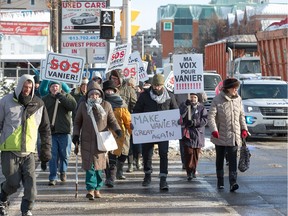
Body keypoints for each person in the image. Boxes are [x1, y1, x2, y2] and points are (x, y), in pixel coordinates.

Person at [0, 74, 51, 216]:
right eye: (25, 87)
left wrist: (45, 151)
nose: (27, 90)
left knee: (31, 187)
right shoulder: (6, 101)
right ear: (20, 85)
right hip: (9, 149)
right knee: (12, 183)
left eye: (30, 87)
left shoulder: (38, 104)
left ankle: (26, 210)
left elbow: (45, 129)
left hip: (29, 151)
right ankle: (2, 197)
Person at [72, 81, 122, 200]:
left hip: (101, 141)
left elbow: (112, 120)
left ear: (100, 95)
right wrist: (75, 135)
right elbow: (77, 122)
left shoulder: (106, 105)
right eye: (91, 95)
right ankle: (90, 189)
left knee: (99, 167)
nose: (94, 97)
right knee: (90, 167)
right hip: (87, 141)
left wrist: (118, 130)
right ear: (88, 95)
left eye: (96, 94)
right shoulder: (83, 106)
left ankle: (98, 189)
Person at [133, 74, 178, 190]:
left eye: (159, 85)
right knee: (147, 154)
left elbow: (175, 111)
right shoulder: (144, 96)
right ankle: (147, 175)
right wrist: (135, 122)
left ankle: (163, 179)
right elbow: (137, 111)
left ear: (163, 85)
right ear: (152, 85)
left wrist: (178, 120)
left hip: (164, 132)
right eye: (155, 85)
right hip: (148, 131)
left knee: (163, 153)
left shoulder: (170, 96)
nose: (157, 88)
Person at [208, 78, 248, 192]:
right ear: (228, 89)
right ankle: (220, 181)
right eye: (234, 88)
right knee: (220, 159)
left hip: (234, 135)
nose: (236, 90)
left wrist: (244, 129)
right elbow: (211, 116)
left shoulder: (238, 99)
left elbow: (241, 115)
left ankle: (233, 182)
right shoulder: (217, 100)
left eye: (236, 88)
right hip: (220, 135)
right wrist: (214, 130)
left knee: (233, 159)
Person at [42, 81, 77, 186]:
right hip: (51, 132)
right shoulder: (45, 99)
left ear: (60, 87)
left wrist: (61, 97)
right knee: (52, 156)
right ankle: (53, 177)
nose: (54, 88)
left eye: (56, 86)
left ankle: (63, 171)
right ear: (49, 88)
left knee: (64, 155)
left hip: (64, 132)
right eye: (52, 86)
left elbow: (73, 106)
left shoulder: (67, 96)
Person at [102, 80, 132, 187]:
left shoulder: (121, 103)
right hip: (105, 133)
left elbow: (127, 119)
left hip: (118, 134)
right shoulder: (101, 103)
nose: (109, 92)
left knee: (114, 157)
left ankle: (112, 177)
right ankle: (109, 177)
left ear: (115, 91)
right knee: (107, 157)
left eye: (111, 90)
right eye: (107, 90)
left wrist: (132, 128)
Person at [109, 70, 137, 179]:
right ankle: (112, 172)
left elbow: (135, 105)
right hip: (111, 125)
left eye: (115, 79)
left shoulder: (129, 90)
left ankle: (119, 169)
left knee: (125, 150)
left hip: (125, 124)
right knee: (112, 150)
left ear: (120, 79)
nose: (113, 80)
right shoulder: (108, 89)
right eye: (112, 78)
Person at [179, 93, 208, 181]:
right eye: (191, 97)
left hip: (198, 134)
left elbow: (205, 120)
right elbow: (180, 116)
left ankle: (193, 170)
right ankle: (189, 172)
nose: (193, 99)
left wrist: (195, 122)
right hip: (187, 134)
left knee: (195, 154)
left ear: (197, 99)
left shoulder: (201, 108)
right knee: (188, 153)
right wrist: (185, 107)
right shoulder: (185, 106)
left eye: (194, 97)